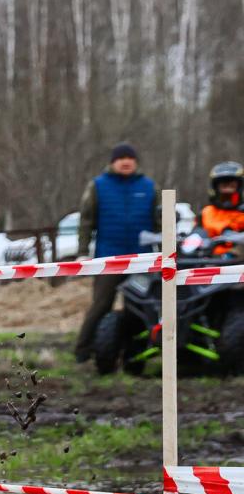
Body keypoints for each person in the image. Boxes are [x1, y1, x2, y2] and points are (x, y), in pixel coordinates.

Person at [73, 143, 159, 363]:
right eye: (121, 158)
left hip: (142, 259)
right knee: (101, 305)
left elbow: (161, 222)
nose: (126, 162)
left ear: (136, 162)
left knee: (138, 309)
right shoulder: (98, 186)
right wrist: (83, 252)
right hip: (108, 258)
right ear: (113, 162)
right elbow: (86, 222)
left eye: (129, 158)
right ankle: (83, 351)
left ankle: (134, 355)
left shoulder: (149, 186)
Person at [199, 161, 244, 254]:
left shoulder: (242, 212)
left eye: (232, 186)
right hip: (206, 259)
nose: (227, 190)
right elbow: (196, 234)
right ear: (215, 188)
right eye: (223, 186)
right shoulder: (207, 212)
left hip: (237, 261)